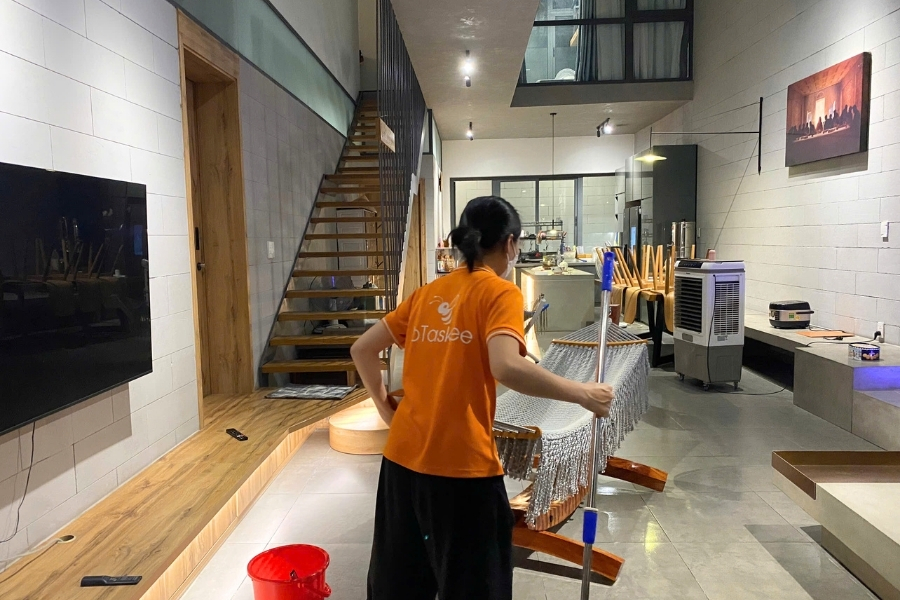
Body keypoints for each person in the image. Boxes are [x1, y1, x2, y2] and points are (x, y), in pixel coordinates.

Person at [351, 196, 614, 600]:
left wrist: (388, 411)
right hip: (462, 472)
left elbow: (362, 350)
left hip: (401, 465)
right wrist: (582, 393)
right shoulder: (499, 293)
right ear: (509, 244)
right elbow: (506, 366)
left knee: (400, 588)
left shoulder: (428, 293)